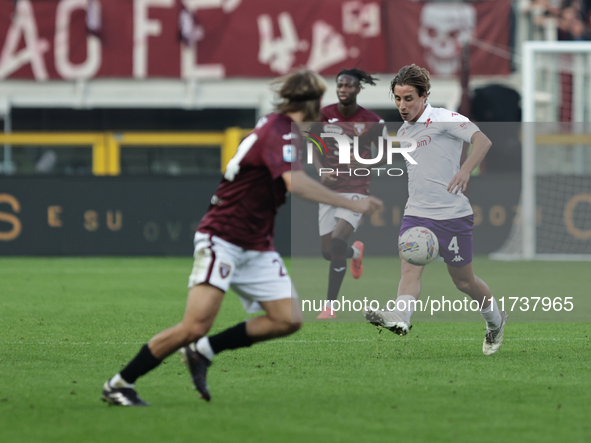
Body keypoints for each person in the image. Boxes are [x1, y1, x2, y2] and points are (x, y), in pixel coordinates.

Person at [101, 69, 383, 406]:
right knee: (193, 326)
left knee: (287, 318)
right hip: (223, 237)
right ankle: (119, 383)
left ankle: (204, 352)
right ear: (309, 102)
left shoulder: (280, 129)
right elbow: (297, 184)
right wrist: (350, 200)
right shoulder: (279, 131)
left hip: (255, 243)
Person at [363, 64, 508, 356]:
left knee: (464, 281)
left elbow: (483, 140)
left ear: (424, 96)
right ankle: (401, 318)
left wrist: (466, 170)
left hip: (452, 215)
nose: (402, 105)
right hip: (416, 213)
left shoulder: (444, 119)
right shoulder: (404, 130)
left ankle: (496, 322)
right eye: (397, 98)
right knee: (409, 268)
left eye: (408, 99)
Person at [311, 68, 385, 319]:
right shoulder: (323, 116)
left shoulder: (373, 121)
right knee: (327, 252)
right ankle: (355, 253)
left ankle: (329, 307)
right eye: (340, 85)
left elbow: (385, 155)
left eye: (349, 86)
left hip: (356, 190)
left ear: (358, 89)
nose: (344, 90)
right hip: (328, 191)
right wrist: (321, 170)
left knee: (338, 241)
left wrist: (365, 163)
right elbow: (314, 146)